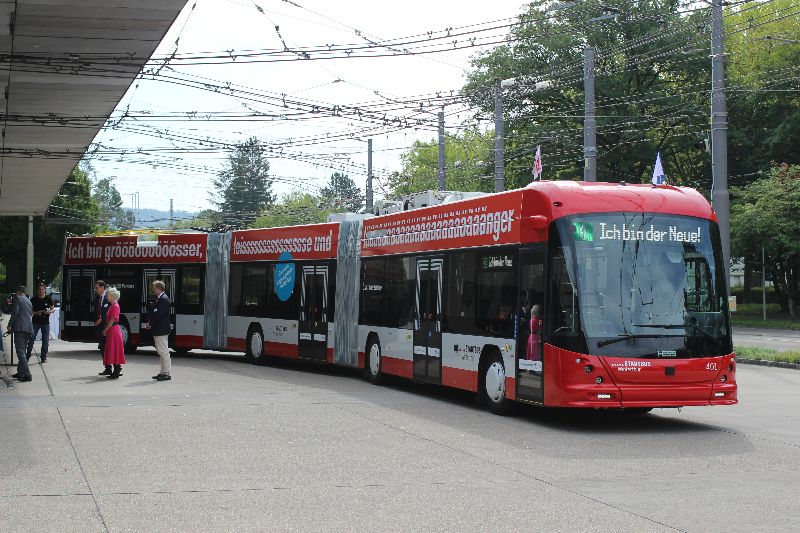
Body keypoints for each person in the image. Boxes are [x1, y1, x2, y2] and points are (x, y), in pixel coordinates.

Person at [144, 280, 172, 381]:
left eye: (154, 288)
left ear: (159, 288)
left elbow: (158, 315)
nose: (153, 290)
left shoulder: (163, 299)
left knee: (164, 352)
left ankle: (167, 373)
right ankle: (163, 372)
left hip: (161, 330)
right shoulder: (161, 299)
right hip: (159, 329)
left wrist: (150, 324)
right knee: (161, 352)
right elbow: (156, 314)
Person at [7, 286, 34, 382]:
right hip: (28, 328)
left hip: (20, 328)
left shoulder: (17, 298)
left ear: (18, 291)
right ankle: (21, 372)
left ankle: (27, 374)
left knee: (20, 351)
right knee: (23, 350)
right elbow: (30, 313)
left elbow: (15, 313)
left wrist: (9, 325)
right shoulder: (28, 300)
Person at [101, 287, 126, 380]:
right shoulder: (112, 305)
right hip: (112, 330)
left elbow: (112, 320)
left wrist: (105, 330)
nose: (107, 297)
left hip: (113, 330)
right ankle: (116, 369)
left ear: (112, 296)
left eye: (108, 295)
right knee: (113, 350)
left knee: (114, 350)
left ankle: (117, 370)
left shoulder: (115, 306)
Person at [27, 282, 54, 363]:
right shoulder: (33, 299)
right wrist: (36, 313)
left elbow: (53, 309)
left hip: (45, 323)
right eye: (39, 289)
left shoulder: (48, 299)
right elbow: (29, 311)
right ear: (37, 290)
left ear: (45, 290)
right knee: (31, 339)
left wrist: (49, 312)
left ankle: (43, 357)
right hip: (35, 322)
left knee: (45, 340)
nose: (41, 291)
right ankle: (27, 356)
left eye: (42, 289)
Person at [94, 280, 112, 376]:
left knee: (109, 347)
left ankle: (115, 367)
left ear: (102, 287)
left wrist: (101, 319)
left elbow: (109, 311)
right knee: (102, 347)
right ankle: (107, 367)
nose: (96, 290)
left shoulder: (108, 296)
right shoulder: (98, 298)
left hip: (107, 326)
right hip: (100, 326)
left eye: (97, 288)